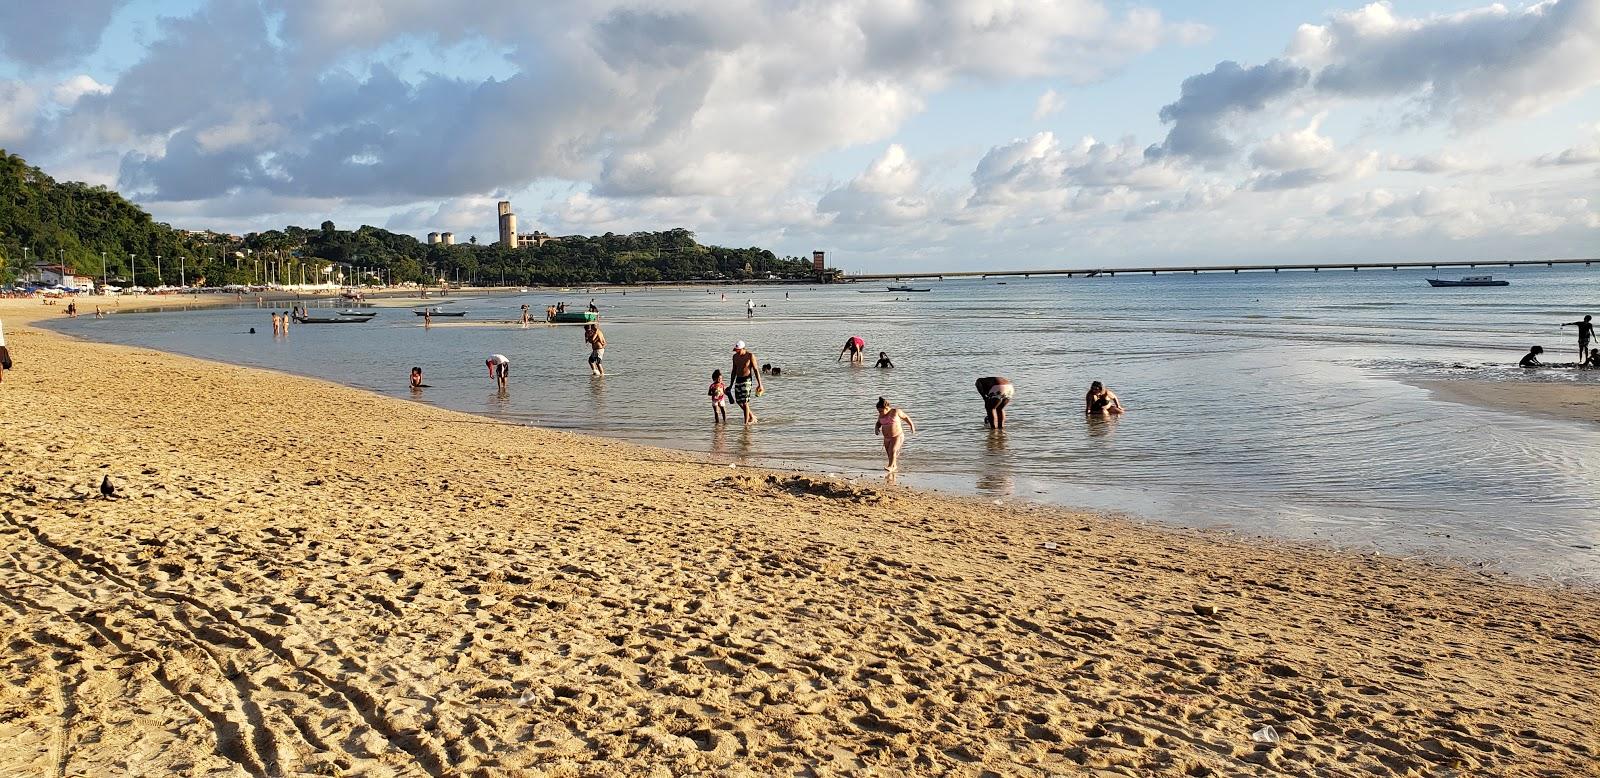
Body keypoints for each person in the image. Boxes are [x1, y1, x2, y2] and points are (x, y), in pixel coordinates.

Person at [874, 397, 916, 473]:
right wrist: (876, 429)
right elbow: (878, 423)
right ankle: (894, 466)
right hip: (887, 438)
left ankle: (890, 466)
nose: (880, 413)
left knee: (892, 451)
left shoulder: (895, 412)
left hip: (897, 436)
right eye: (878, 411)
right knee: (889, 454)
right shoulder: (881, 416)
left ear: (886, 408)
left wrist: (911, 426)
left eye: (881, 411)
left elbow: (906, 417)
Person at [731, 341, 763, 424]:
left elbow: (756, 370)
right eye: (736, 350)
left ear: (743, 349)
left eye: (738, 350)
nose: (736, 351)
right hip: (738, 379)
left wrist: (760, 384)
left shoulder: (750, 356)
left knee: (745, 402)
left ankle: (746, 424)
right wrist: (731, 384)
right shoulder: (735, 357)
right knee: (738, 401)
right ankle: (751, 416)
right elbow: (734, 371)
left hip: (747, 380)